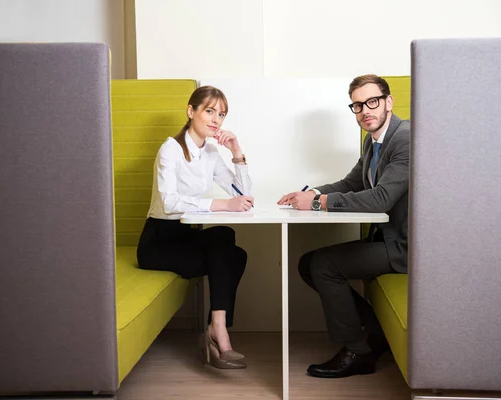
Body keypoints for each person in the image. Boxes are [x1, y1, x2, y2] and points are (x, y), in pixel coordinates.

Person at [277, 74, 410, 378]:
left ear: (389, 102)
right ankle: (375, 334)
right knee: (308, 264)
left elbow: (380, 199)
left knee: (323, 265)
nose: (365, 111)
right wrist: (312, 193)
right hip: (386, 240)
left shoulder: (404, 138)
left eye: (372, 102)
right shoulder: (373, 140)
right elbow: (351, 183)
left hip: (405, 246)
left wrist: (316, 204)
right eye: (358, 105)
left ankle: (358, 352)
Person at [137, 85, 254, 370]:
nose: (216, 120)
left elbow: (244, 194)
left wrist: (236, 152)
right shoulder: (170, 150)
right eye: (209, 111)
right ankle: (218, 332)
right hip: (157, 242)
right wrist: (222, 205)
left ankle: (216, 326)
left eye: (221, 114)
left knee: (228, 241)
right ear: (191, 111)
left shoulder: (212, 153)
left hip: (184, 235)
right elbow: (169, 203)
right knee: (232, 255)